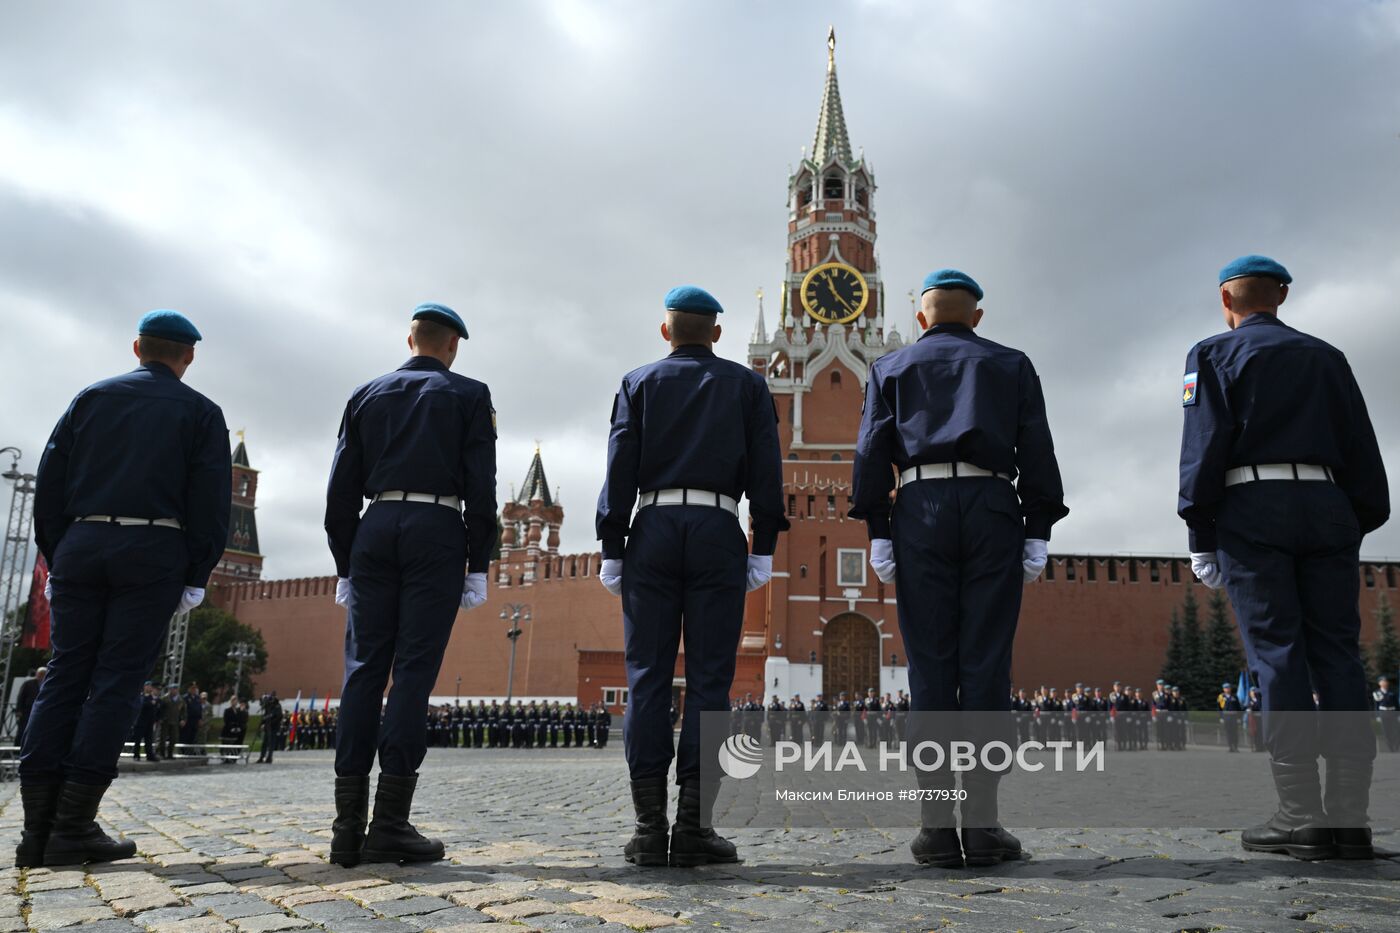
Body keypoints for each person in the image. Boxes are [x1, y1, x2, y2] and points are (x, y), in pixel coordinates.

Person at [852, 269, 1067, 868]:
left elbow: (871, 451)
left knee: (930, 672)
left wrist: (878, 530)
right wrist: (1037, 528)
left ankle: (935, 830)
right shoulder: (1011, 364)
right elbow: (1037, 447)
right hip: (993, 507)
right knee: (986, 670)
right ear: (977, 315)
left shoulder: (889, 369)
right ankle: (983, 825)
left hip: (918, 510)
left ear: (921, 319)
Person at [1179, 255, 1388, 860]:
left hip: (1253, 509)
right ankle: (1351, 818)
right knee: (1340, 656)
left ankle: (1300, 814)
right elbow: (1363, 446)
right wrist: (1354, 518)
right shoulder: (1329, 357)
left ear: (1226, 300)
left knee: (1277, 653)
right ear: (1283, 297)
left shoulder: (1212, 355)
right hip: (1328, 505)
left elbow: (1203, 444)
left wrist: (1201, 531)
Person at [18, 310, 230, 868]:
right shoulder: (203, 413)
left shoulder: (90, 397)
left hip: (81, 545)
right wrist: (196, 573)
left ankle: (35, 830)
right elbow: (211, 505)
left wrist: (60, 549)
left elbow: (50, 481)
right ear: (188, 357)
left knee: (65, 675)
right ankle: (74, 825)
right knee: (116, 682)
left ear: (137, 347)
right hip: (153, 550)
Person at [596, 285, 786, 867]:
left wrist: (612, 543)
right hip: (717, 528)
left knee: (648, 678)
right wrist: (764, 548)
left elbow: (619, 464)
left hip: (650, 528)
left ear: (665, 331)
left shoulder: (638, 382)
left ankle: (649, 829)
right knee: (710, 683)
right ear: (718, 334)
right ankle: (695, 827)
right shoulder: (748, 385)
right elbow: (767, 471)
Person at [325, 302, 497, 867]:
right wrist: (478, 563)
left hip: (375, 527)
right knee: (413, 674)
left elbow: (340, 492)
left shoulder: (366, 394)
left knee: (363, 671)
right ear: (452, 346)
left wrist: (346, 561)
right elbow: (482, 489)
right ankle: (390, 824)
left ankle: (345, 829)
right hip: (437, 529)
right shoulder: (470, 396)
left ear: (411, 340)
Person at [15, 668, 46, 744]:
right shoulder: (28, 683)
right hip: (27, 710)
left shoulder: (47, 684)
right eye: (40, 674)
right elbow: (21, 697)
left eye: (43, 674)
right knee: (22, 730)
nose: (41, 676)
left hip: (40, 711)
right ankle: (17, 749)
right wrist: (19, 710)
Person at [133, 683, 160, 762]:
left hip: (150, 722)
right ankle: (136, 755)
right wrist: (150, 703)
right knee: (138, 740)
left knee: (149, 740)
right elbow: (141, 705)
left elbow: (157, 709)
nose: (149, 688)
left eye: (150, 686)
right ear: (144, 687)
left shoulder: (153, 697)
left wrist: (156, 719)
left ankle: (150, 755)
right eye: (147, 686)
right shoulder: (141, 696)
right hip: (140, 722)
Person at [159, 685, 185, 760]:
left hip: (175, 721)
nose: (174, 691)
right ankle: (162, 754)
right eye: (172, 689)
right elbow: (160, 709)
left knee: (173, 738)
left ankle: (170, 754)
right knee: (163, 738)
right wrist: (161, 718)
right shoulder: (164, 698)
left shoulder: (180, 699)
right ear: (169, 690)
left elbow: (183, 711)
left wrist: (183, 719)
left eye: (176, 689)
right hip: (165, 721)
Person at [257, 692, 283, 763]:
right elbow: (265, 716)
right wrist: (262, 724)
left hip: (274, 727)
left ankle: (269, 757)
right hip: (267, 727)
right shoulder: (268, 706)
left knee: (271, 743)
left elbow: (278, 717)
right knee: (264, 743)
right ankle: (262, 757)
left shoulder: (277, 706)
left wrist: (269, 723)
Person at [1219, 682, 1242, 752]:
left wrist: (1239, 718)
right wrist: (1221, 717)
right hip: (1226, 716)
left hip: (1234, 716)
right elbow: (1220, 708)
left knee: (1235, 732)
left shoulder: (1234, 697)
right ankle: (1230, 746)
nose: (1227, 689)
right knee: (1228, 732)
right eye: (1225, 688)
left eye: (1228, 688)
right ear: (1223, 689)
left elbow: (1238, 708)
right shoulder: (1221, 697)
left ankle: (1235, 746)